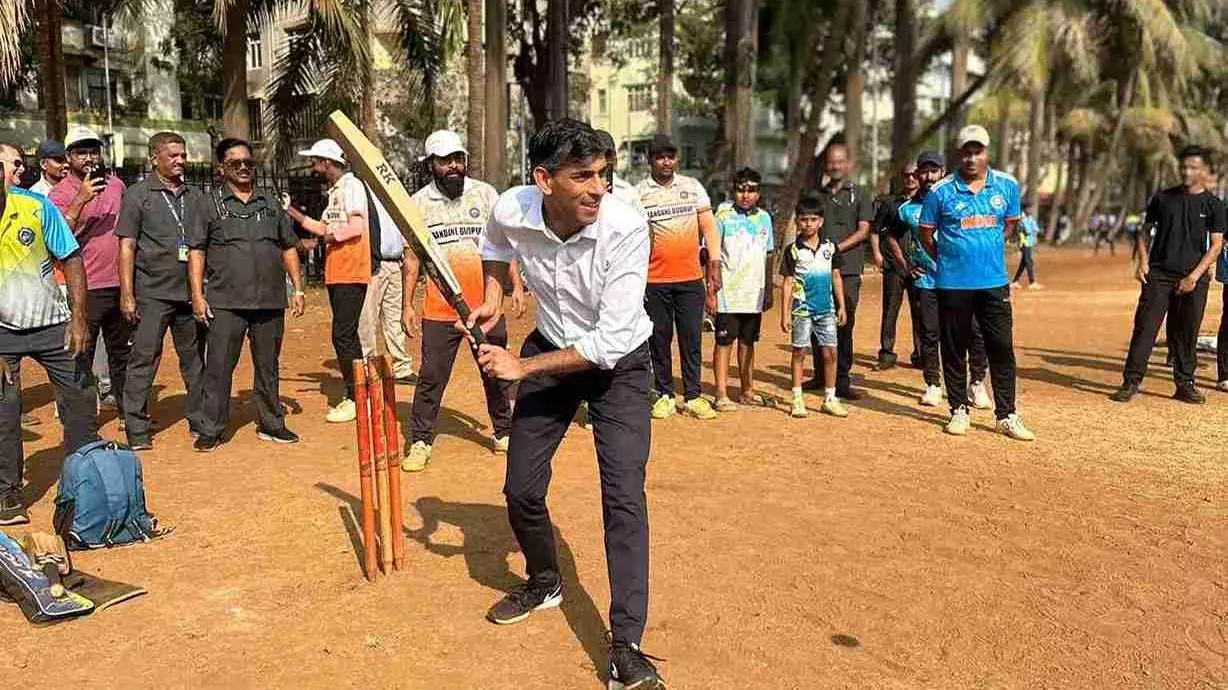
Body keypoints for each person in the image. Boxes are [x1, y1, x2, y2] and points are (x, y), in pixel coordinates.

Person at [466, 118, 665, 689]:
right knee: (521, 489)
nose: (598, 188)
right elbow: (494, 244)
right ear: (543, 180)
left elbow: (608, 342)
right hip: (552, 344)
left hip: (619, 366)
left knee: (623, 497)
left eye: (603, 174)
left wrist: (520, 367)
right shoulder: (512, 207)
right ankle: (546, 579)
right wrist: (495, 295)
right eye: (583, 176)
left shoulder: (624, 226)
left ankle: (626, 645)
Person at [401, 130, 519, 471]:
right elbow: (412, 259)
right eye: (444, 161)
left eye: (458, 159)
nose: (453, 166)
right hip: (440, 309)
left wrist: (517, 285)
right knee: (432, 376)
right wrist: (408, 305)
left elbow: (503, 245)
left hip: (485, 307)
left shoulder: (485, 194)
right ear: (430, 165)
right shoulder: (417, 203)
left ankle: (504, 432)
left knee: (494, 370)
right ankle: (420, 440)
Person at [0, 142, 97, 525]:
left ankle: (85, 485)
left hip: (53, 324)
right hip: (2, 333)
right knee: (4, 412)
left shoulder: (36, 207)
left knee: (80, 404)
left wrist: (78, 318)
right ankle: (7, 494)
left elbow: (71, 258)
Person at [188, 138, 306, 452]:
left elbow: (289, 247)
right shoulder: (207, 204)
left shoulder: (269, 203)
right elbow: (197, 251)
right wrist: (198, 295)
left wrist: (297, 288)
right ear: (221, 169)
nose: (243, 168)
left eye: (248, 163)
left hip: (269, 300)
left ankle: (272, 424)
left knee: (268, 366)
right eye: (235, 163)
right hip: (226, 302)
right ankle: (212, 427)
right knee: (219, 367)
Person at [919, 125, 1035, 440]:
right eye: (967, 152)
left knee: (1001, 347)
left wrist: (986, 252)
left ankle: (1007, 414)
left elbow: (1009, 227)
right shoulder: (940, 191)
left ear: (987, 152)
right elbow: (927, 234)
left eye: (978, 151)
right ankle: (958, 409)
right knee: (954, 348)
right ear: (960, 154)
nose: (972, 158)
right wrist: (950, 259)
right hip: (952, 283)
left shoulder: (1007, 186)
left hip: (993, 282)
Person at [1110, 145, 1225, 404]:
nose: (1187, 171)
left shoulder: (1213, 204)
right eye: (1184, 166)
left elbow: (1216, 245)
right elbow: (1143, 231)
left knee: (1187, 333)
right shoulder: (1163, 198)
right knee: (1145, 329)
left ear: (1204, 170)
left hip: (1194, 279)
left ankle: (1185, 384)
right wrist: (1142, 262)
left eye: (1193, 167)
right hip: (1159, 275)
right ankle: (1131, 382)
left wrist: (1194, 276)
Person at [116, 132, 208, 450]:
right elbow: (126, 246)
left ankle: (200, 421)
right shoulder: (138, 195)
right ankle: (137, 429)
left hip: (189, 294)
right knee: (144, 359)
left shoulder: (196, 196)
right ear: (154, 157)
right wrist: (127, 293)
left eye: (183, 155)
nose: (180, 160)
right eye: (173, 155)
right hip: (152, 292)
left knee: (194, 360)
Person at [885, 151, 989, 408]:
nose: (929, 176)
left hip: (963, 281)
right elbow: (890, 236)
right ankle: (932, 384)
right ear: (918, 174)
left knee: (974, 332)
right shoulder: (907, 209)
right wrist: (906, 266)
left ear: (943, 172)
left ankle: (976, 383)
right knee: (930, 334)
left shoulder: (959, 199)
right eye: (924, 171)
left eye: (934, 171)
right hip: (927, 282)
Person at [49, 127, 132, 420]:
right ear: (69, 158)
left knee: (122, 353)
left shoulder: (117, 185)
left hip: (120, 283)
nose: (88, 157)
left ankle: (127, 414)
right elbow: (58, 241)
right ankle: (81, 417)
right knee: (81, 352)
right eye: (81, 152)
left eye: (93, 151)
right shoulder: (59, 194)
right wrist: (81, 198)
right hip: (86, 285)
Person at [636, 133, 721, 420]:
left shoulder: (692, 187)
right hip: (654, 280)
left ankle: (694, 395)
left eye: (670, 156)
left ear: (677, 159)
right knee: (659, 339)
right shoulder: (639, 193)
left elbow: (709, 227)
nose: (666, 162)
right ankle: (664, 394)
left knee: (691, 338)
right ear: (651, 160)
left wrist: (715, 263)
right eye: (660, 157)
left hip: (689, 279)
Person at [286, 139, 371, 424]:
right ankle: (358, 393)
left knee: (344, 335)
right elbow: (324, 227)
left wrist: (328, 237)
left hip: (351, 270)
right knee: (345, 335)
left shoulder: (352, 186)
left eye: (316, 162)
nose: (314, 168)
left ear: (327, 161)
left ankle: (356, 396)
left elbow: (357, 227)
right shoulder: (336, 191)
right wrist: (294, 214)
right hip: (338, 272)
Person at [809, 141, 873, 399]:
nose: (834, 166)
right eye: (830, 161)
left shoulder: (859, 193)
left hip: (847, 269)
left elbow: (864, 230)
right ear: (825, 165)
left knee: (843, 323)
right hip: (817, 270)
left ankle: (842, 380)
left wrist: (835, 248)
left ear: (848, 165)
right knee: (816, 321)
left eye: (839, 161)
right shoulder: (817, 195)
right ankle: (819, 375)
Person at [711, 167, 774, 410]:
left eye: (751, 190)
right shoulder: (723, 216)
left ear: (759, 193)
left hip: (753, 293)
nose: (745, 195)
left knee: (748, 342)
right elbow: (713, 255)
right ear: (733, 191)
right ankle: (721, 393)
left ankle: (747, 390)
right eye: (741, 190)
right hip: (728, 293)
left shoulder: (765, 219)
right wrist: (711, 289)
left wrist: (768, 289)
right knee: (724, 342)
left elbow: (769, 254)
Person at [781, 193, 849, 419]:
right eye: (803, 219)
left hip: (826, 310)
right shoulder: (792, 250)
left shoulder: (830, 248)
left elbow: (836, 276)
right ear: (798, 221)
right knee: (799, 351)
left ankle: (830, 397)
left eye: (813, 219)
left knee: (830, 352)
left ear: (821, 221)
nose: (808, 224)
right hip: (801, 311)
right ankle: (797, 398)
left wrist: (841, 306)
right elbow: (788, 282)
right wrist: (785, 314)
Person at [357, 153, 416, 386]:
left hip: (395, 262)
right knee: (368, 318)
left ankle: (401, 366)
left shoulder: (394, 194)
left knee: (394, 318)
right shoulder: (361, 192)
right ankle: (367, 367)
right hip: (374, 263)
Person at [871, 162, 919, 371]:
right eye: (906, 175)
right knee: (890, 310)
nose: (910, 179)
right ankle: (886, 354)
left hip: (920, 267)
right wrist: (877, 255)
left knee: (921, 313)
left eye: (914, 175)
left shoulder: (929, 202)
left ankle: (922, 356)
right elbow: (875, 230)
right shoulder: (890, 203)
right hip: (894, 267)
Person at [595, 130, 645, 217]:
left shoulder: (627, 191)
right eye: (598, 155)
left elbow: (644, 223)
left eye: (608, 155)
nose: (604, 160)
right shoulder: (581, 190)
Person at [1010, 211, 1043, 290]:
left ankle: (1015, 282)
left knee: (1024, 263)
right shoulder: (1021, 222)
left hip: (1029, 243)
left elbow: (1035, 230)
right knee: (1029, 262)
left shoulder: (1029, 220)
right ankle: (1032, 283)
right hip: (1025, 243)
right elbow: (1025, 232)